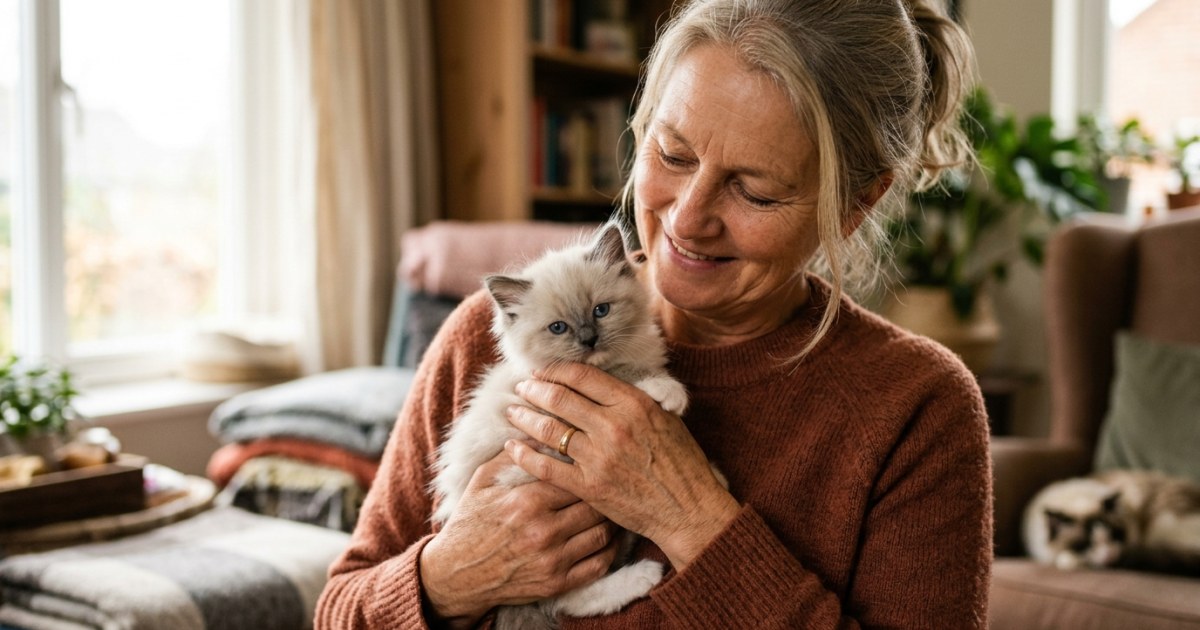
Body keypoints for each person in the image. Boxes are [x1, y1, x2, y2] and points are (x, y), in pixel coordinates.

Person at [315, 0, 991, 627]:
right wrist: (453, 575)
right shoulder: (489, 338)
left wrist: (693, 520)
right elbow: (338, 609)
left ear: (854, 206)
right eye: (671, 154)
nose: (687, 220)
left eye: (753, 192)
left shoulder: (917, 410)